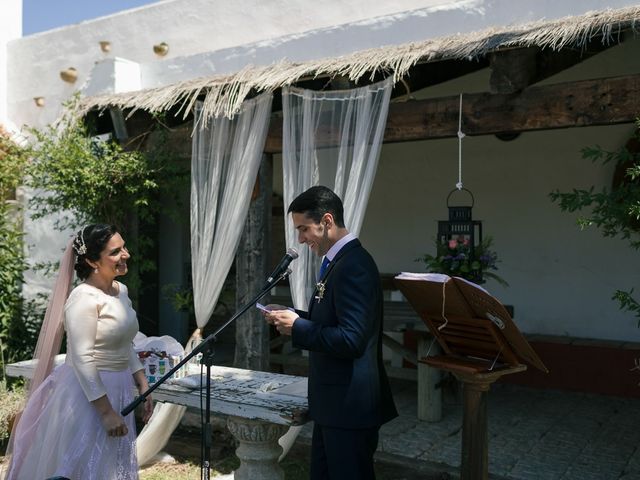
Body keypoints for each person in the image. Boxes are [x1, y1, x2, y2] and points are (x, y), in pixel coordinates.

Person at [265, 186, 397, 480]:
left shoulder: (354, 265)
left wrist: (298, 328)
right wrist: (294, 316)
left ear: (326, 221)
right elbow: (332, 320)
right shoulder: (337, 262)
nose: (300, 239)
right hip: (333, 405)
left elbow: (352, 339)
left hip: (350, 406)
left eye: (304, 229)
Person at [6, 224, 153, 480]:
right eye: (116, 252)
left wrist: (142, 383)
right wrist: (106, 412)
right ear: (91, 261)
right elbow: (83, 358)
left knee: (109, 463)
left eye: (124, 247)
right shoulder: (83, 298)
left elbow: (125, 342)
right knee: (82, 465)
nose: (126, 255)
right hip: (89, 396)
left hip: (119, 389)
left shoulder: (121, 292)